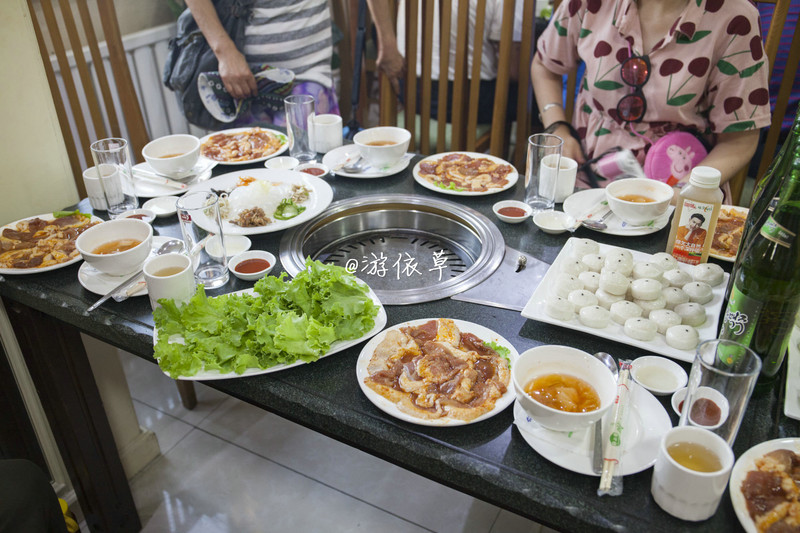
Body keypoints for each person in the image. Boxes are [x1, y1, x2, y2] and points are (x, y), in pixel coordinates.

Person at [531, 0, 771, 196]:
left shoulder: (735, 18)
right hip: (585, 177)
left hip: (682, 187)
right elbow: (545, 66)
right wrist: (557, 128)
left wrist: (683, 190)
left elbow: (740, 139)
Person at [185, 0, 340, 127]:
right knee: (247, 159)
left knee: (310, 158)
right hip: (243, 82)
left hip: (309, 71)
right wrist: (225, 53)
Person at [367, 0, 523, 124]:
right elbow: (512, 71)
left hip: (411, 91)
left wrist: (387, 45)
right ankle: (514, 156)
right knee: (525, 93)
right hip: (470, 101)